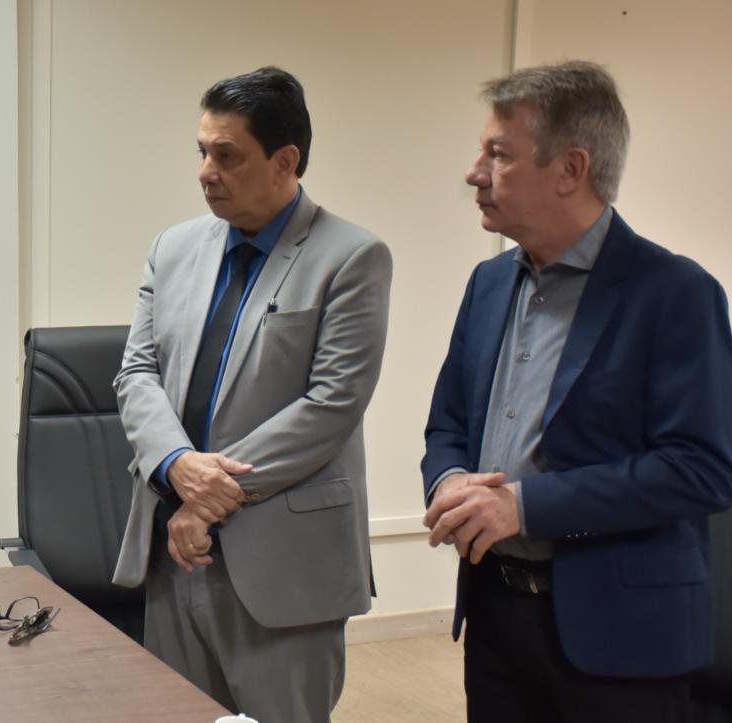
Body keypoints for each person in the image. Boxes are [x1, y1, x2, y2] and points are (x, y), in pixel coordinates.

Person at [421, 60, 732, 722]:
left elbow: (701, 469)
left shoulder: (676, 294)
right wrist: (448, 479)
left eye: (497, 154)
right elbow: (447, 422)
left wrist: (524, 506)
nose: (474, 172)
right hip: (496, 620)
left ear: (570, 169)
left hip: (623, 639)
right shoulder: (487, 283)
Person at [112, 66, 392, 723]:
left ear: (285, 160)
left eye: (228, 155)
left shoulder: (351, 256)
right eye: (202, 152)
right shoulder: (173, 247)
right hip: (173, 550)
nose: (207, 170)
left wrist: (207, 497)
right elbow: (136, 371)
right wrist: (176, 467)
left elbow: (331, 403)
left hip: (283, 563)